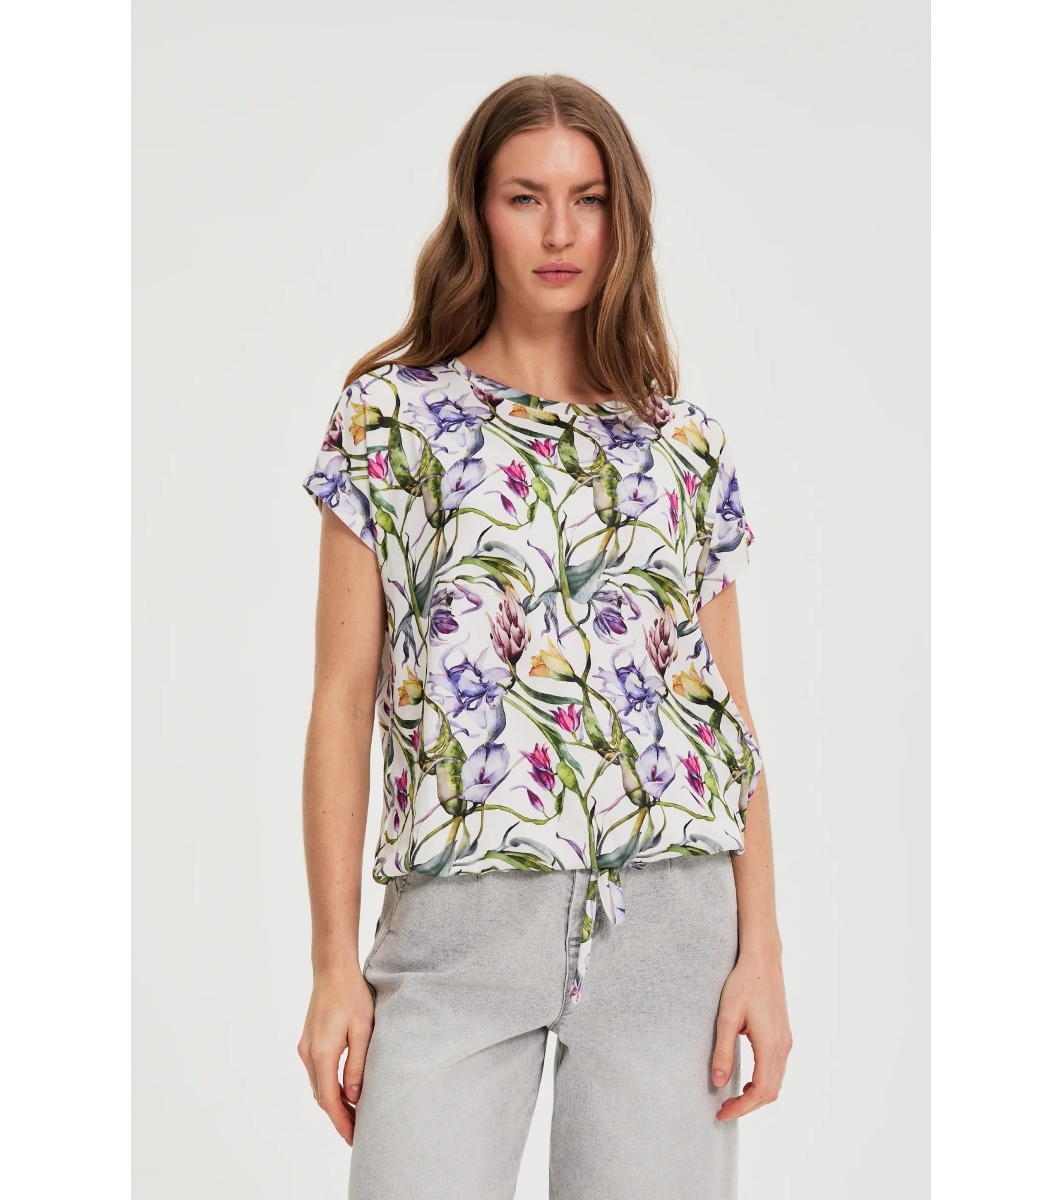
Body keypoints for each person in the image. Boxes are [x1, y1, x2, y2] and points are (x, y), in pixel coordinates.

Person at [297, 73, 792, 1200]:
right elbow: (340, 701)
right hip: (456, 931)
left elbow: (730, 717)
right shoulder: (391, 421)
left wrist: (761, 951)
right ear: (478, 211)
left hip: (670, 922)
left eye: (589, 198)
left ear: (624, 218)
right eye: (527, 197)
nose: (561, 232)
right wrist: (333, 966)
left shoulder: (682, 445)